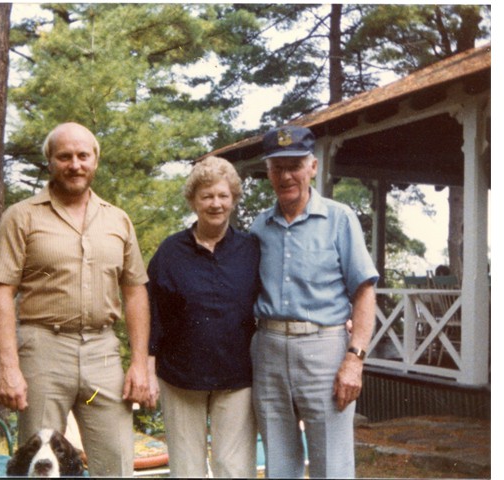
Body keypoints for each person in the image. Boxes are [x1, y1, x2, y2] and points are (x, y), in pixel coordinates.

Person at [0, 122, 150, 477]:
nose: (74, 164)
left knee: (116, 462)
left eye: (82, 156)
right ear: (50, 162)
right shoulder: (22, 217)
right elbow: (2, 292)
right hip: (43, 351)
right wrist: (8, 366)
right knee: (39, 467)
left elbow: (135, 290)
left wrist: (138, 362)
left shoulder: (117, 220)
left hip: (102, 354)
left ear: (95, 161)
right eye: (64, 156)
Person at [250, 125, 379, 478]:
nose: (286, 175)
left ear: (312, 167)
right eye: (278, 168)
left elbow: (365, 290)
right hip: (269, 349)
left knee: (331, 463)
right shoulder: (259, 228)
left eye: (294, 165)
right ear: (268, 173)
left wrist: (355, 359)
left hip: (324, 347)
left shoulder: (339, 219)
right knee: (277, 459)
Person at [146, 156, 260, 478]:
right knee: (186, 470)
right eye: (207, 196)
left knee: (233, 468)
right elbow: (152, 310)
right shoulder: (170, 252)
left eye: (223, 196)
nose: (215, 203)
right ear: (193, 201)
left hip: (236, 378)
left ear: (234, 200)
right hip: (180, 376)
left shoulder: (251, 249)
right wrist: (147, 362)